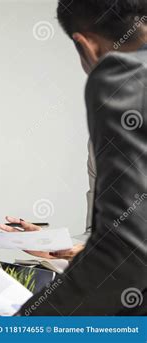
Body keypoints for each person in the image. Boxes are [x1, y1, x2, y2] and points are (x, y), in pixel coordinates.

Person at [19, 0, 147, 315]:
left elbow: (126, 250)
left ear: (85, 45)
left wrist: (25, 325)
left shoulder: (122, 75)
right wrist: (66, 244)